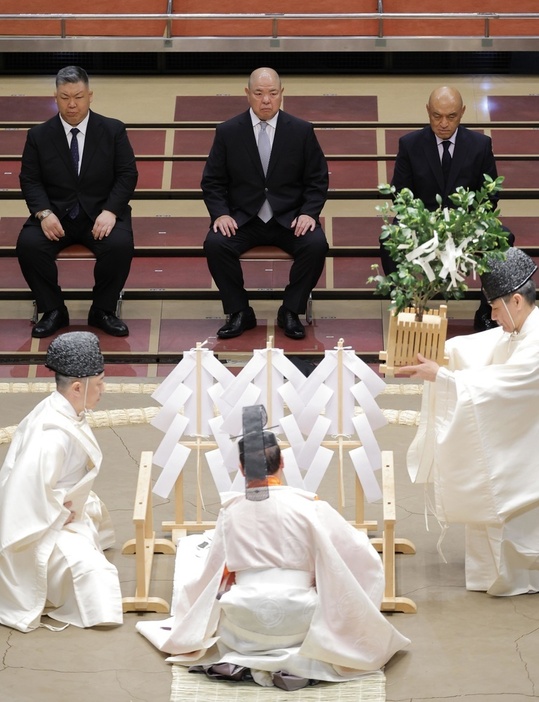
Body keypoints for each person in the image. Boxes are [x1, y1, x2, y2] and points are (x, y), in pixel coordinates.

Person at [137, 405, 409, 689]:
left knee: (211, 598)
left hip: (246, 618)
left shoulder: (231, 511)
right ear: (283, 464)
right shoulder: (309, 508)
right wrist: (323, 578)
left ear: (241, 468)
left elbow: (212, 573)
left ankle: (241, 657)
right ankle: (299, 662)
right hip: (300, 614)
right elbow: (360, 556)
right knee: (321, 608)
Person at [402, 248, 539, 596]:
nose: (493, 317)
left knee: (507, 493)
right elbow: (478, 346)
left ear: (518, 302)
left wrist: (445, 378)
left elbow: (505, 382)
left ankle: (522, 575)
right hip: (517, 433)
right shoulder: (519, 329)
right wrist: (443, 353)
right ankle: (497, 574)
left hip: (527, 442)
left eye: (496, 307)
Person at [0, 331, 123, 632]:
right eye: (100, 382)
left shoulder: (61, 408)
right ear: (78, 387)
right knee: (93, 575)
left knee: (96, 516)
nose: (103, 389)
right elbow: (23, 494)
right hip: (38, 523)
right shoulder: (51, 435)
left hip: (59, 505)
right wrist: (58, 512)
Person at [202, 67, 329, 340]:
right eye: (259, 93)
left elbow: (317, 179)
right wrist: (221, 214)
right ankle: (239, 312)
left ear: (282, 94)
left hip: (289, 218)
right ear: (247, 95)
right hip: (244, 218)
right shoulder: (227, 132)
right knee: (216, 243)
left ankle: (291, 310)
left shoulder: (301, 130)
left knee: (316, 244)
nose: (266, 100)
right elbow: (212, 181)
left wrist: (308, 213)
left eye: (272, 93)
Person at [17, 65, 138, 339]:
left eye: (78, 96)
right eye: (65, 97)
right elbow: (30, 180)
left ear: (90, 95)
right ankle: (53, 310)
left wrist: (111, 211)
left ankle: (103, 310)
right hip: (56, 214)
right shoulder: (38, 135)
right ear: (56, 96)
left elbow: (127, 174)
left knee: (119, 245)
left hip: (100, 213)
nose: (72, 104)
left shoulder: (113, 130)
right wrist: (44, 213)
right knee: (28, 245)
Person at [384, 85, 513, 331]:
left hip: (465, 225)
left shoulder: (480, 145)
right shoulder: (410, 144)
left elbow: (490, 194)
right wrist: (426, 222)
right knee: (390, 237)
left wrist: (465, 223)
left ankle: (488, 311)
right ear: (427, 111)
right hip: (423, 224)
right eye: (437, 116)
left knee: (503, 238)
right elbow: (401, 194)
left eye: (451, 117)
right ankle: (403, 308)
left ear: (462, 113)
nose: (443, 123)